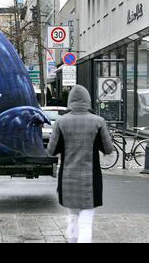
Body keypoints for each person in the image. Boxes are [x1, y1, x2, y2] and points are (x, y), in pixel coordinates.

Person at [47, 85, 114, 244]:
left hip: (67, 179)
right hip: (90, 180)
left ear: (70, 101)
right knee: (86, 223)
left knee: (72, 219)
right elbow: (109, 149)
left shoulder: (61, 122)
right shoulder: (98, 122)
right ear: (88, 101)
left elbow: (50, 151)